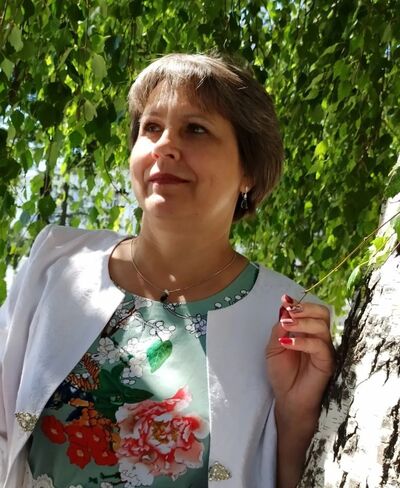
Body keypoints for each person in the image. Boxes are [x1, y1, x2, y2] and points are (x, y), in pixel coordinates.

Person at [0, 53, 334, 488]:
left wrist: (297, 414)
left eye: (195, 129)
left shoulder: (290, 323)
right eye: (151, 127)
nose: (164, 145)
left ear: (248, 171)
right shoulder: (57, 262)